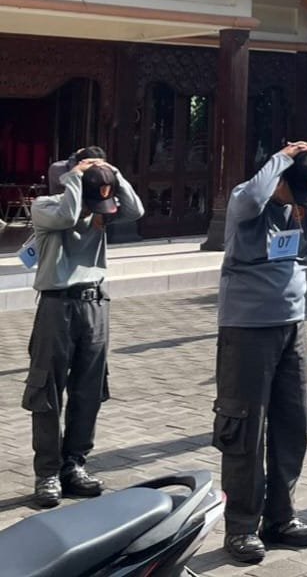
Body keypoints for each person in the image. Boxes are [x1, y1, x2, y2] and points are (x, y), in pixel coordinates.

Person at [213, 142, 307, 563]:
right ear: (279, 179)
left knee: (292, 423)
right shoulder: (248, 201)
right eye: (295, 191)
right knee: (245, 429)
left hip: (292, 327)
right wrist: (281, 158)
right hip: (247, 329)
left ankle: (280, 518)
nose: (303, 205)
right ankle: (241, 526)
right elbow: (251, 197)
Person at [23, 157, 144, 508]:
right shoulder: (45, 206)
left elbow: (135, 211)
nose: (96, 210)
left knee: (89, 390)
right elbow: (65, 217)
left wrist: (115, 173)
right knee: (47, 390)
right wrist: (75, 179)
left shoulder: (99, 207)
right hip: (56, 306)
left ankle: (74, 464)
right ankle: (48, 472)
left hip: (95, 304)